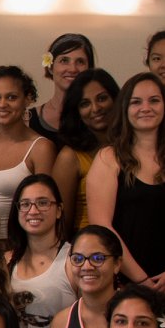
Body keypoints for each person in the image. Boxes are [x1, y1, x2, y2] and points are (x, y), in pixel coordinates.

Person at [87, 72, 165, 299]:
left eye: (154, 100)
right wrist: (141, 280)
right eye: (136, 102)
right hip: (125, 283)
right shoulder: (109, 158)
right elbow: (102, 226)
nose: (146, 108)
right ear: (124, 109)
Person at [5, 175, 76, 328]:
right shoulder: (6, 262)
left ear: (58, 210)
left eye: (43, 202)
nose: (33, 210)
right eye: (25, 204)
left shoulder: (74, 260)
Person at [0, 66, 58, 237]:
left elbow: (46, 208)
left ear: (27, 99)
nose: (2, 104)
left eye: (11, 97)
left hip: (18, 248)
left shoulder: (40, 148)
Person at [49, 69, 120, 235]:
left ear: (117, 99)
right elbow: (60, 226)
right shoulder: (70, 157)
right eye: (85, 103)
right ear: (76, 111)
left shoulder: (133, 148)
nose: (95, 108)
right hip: (88, 252)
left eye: (102, 98)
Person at [29, 33, 94, 139]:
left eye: (80, 62)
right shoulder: (28, 119)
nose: (72, 69)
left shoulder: (98, 117)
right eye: (64, 61)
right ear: (50, 67)